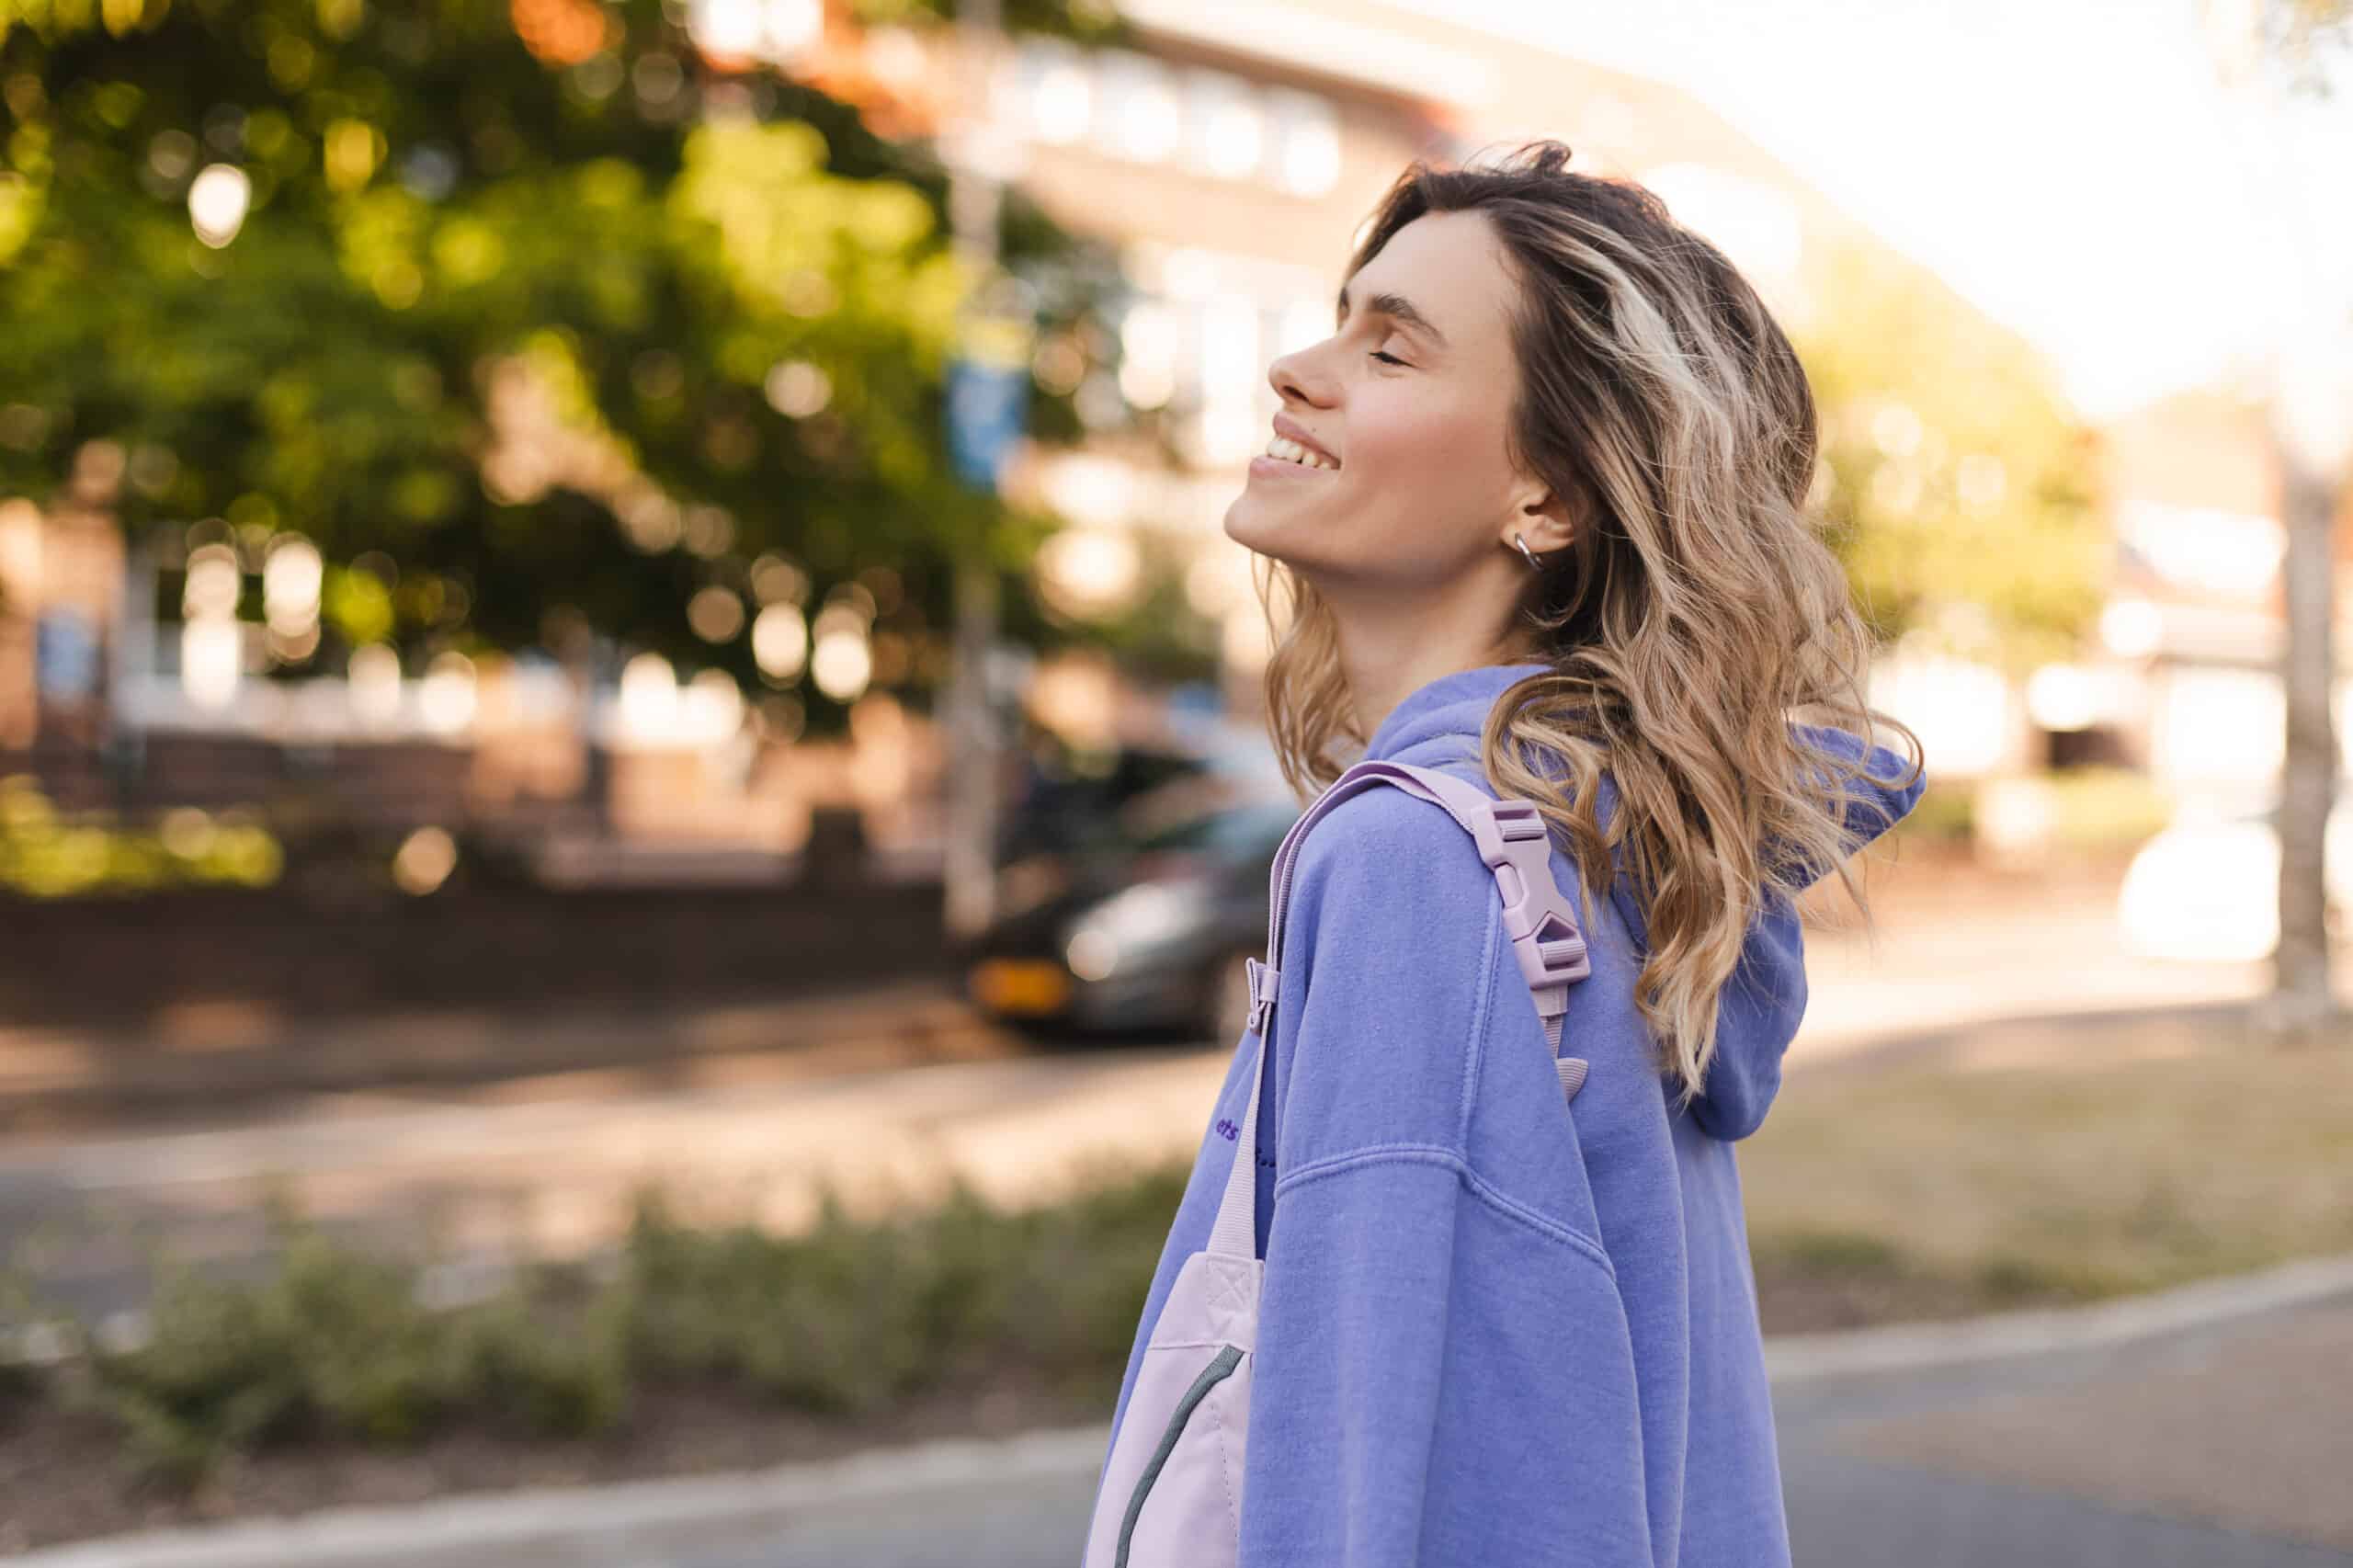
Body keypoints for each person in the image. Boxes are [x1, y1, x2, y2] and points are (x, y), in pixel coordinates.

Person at [1087, 139, 1927, 1566]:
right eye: (1340, 318)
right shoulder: (1615, 844)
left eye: (1393, 351)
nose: (1299, 368)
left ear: (1546, 496)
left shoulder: (1417, 859)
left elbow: (1364, 1453)